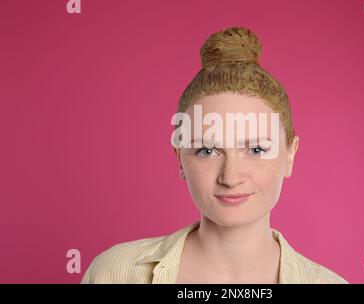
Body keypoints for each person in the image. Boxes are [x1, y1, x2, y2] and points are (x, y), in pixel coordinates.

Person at [81, 26, 348, 284]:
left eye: (256, 150)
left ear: (290, 155)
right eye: (207, 150)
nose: (230, 177)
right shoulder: (114, 274)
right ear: (180, 159)